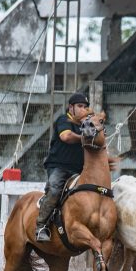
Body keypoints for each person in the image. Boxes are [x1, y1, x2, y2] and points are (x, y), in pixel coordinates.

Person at [35, 92, 90, 242]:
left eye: (85, 107)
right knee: (54, 190)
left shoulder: (87, 125)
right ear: (70, 107)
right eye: (79, 106)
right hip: (59, 166)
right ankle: (41, 226)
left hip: (80, 169)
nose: (83, 109)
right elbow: (66, 137)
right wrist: (85, 137)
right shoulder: (63, 120)